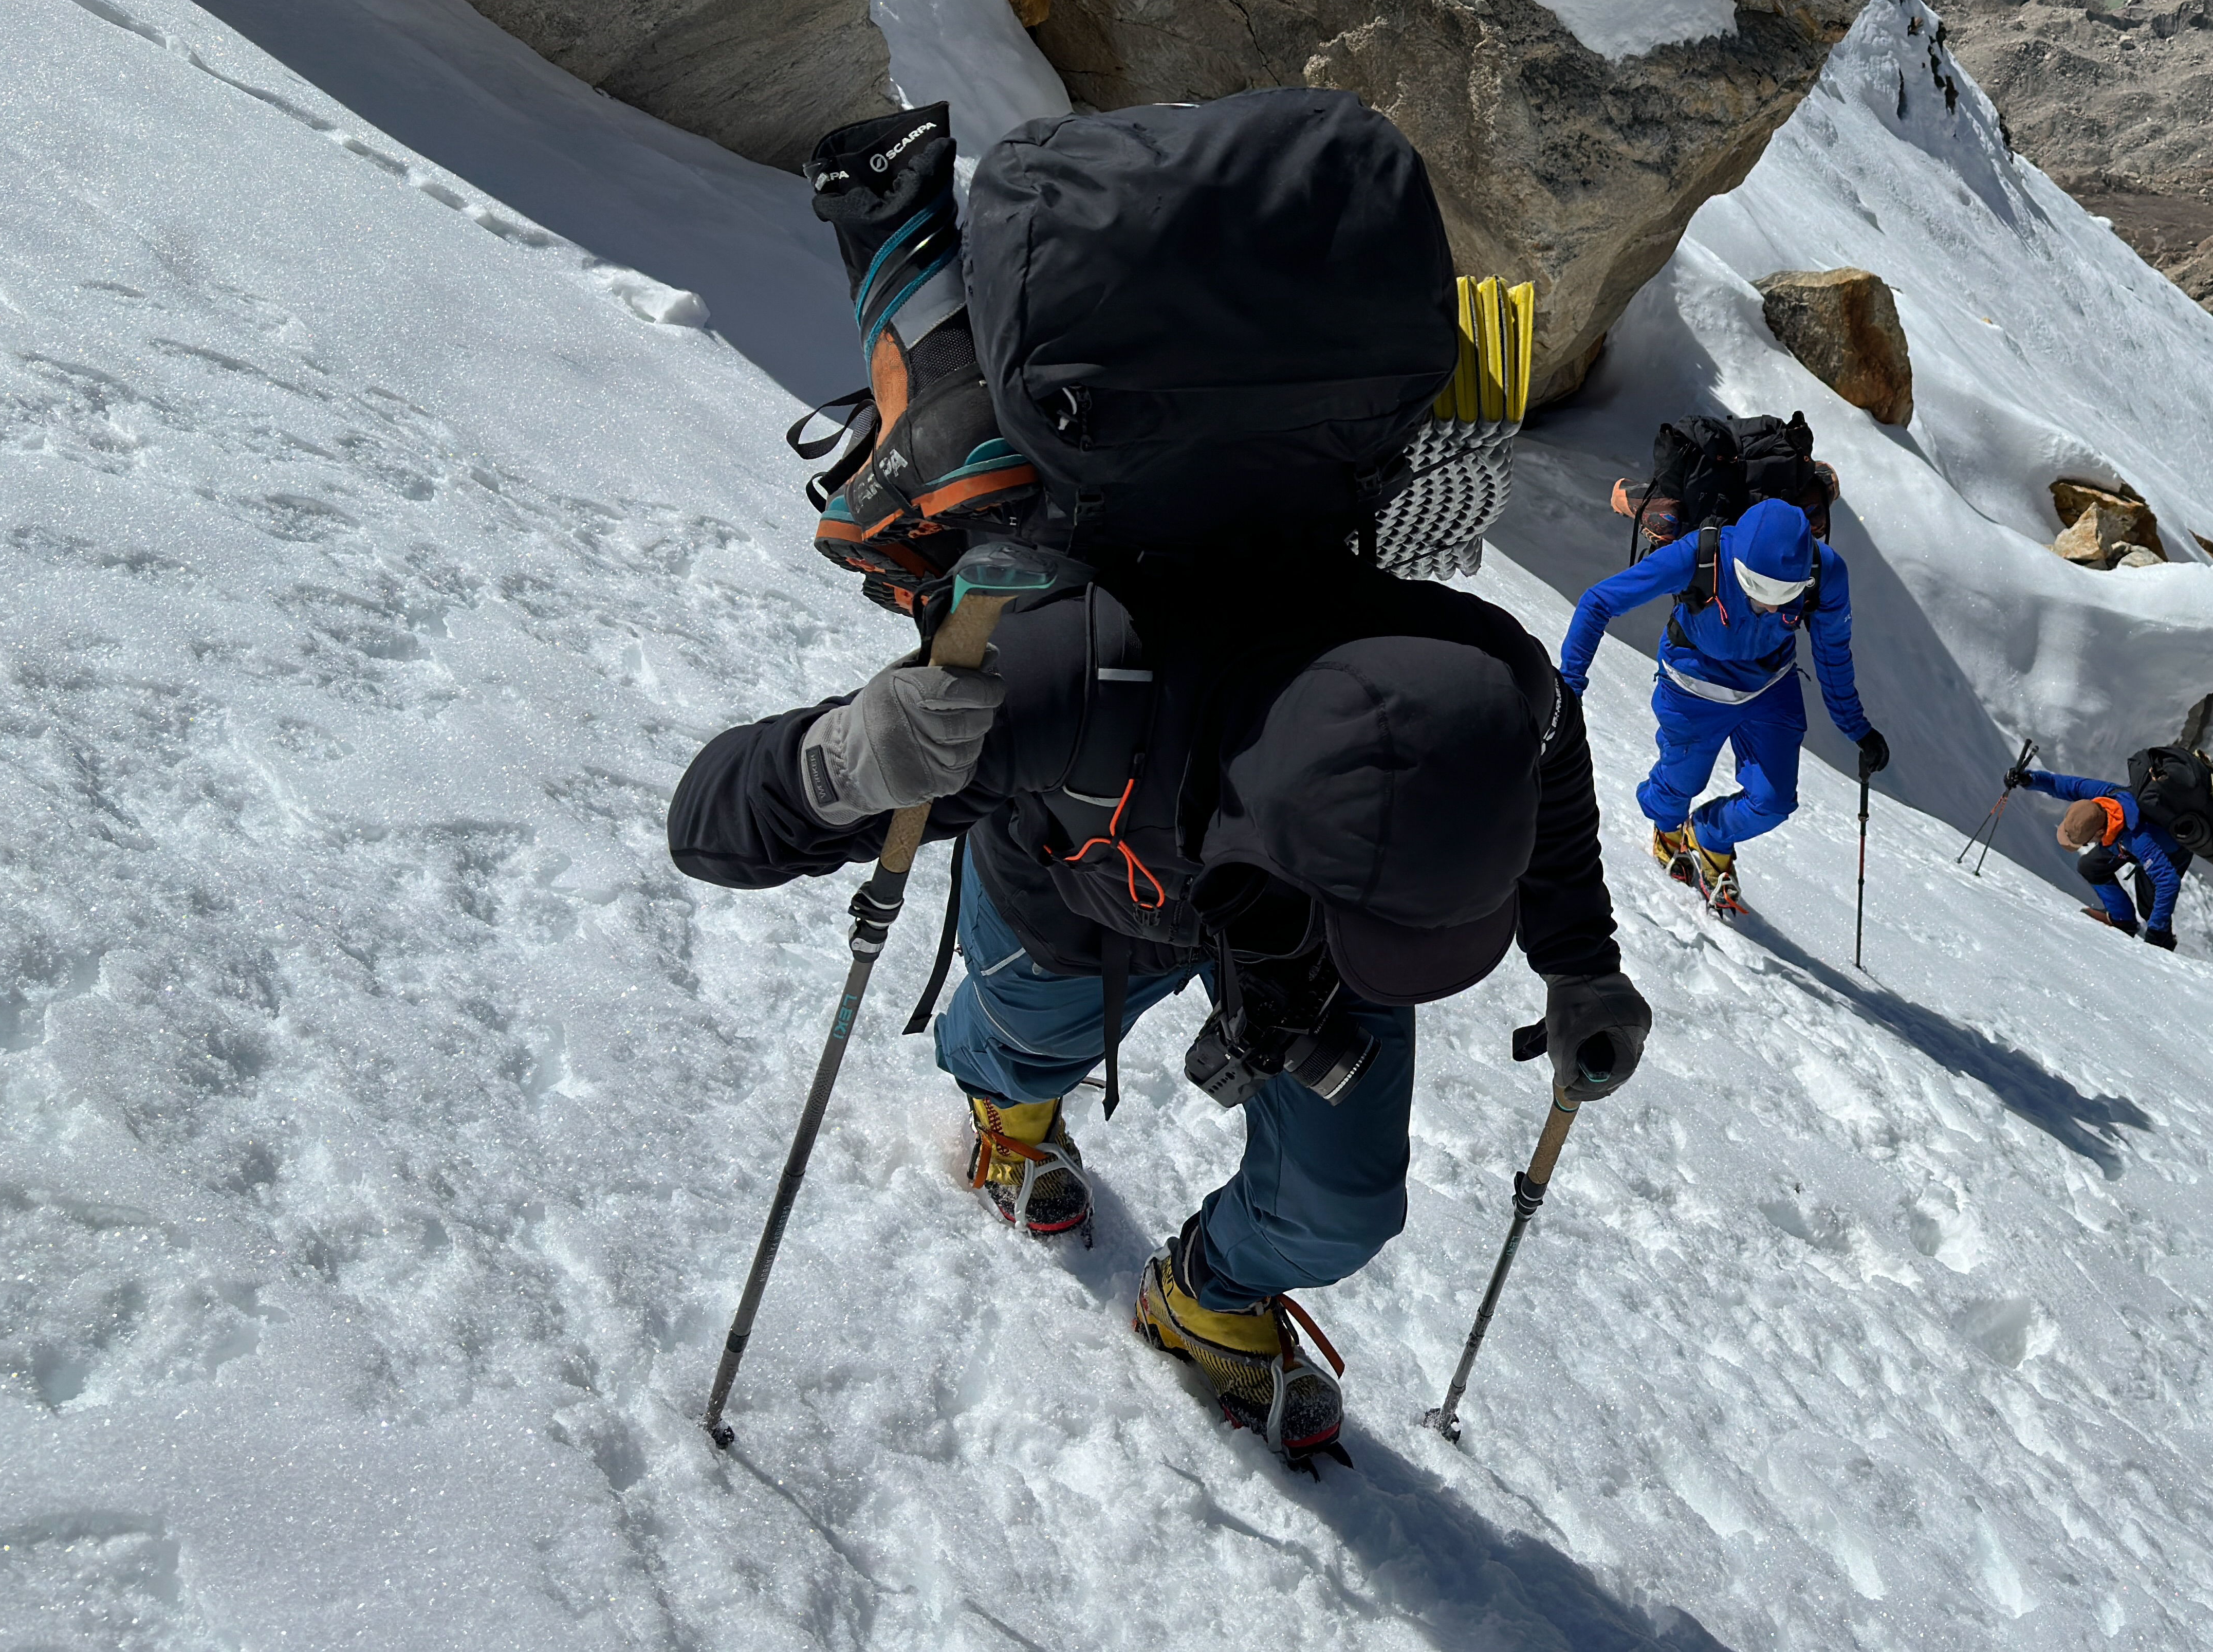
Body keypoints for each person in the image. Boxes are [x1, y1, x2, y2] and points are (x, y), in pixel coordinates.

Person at [670, 546, 1652, 1468]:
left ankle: (1203, 1298)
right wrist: (838, 760)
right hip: (1094, 883)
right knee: (1024, 1037)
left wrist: (1579, 965)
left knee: (1341, 1199)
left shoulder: (1487, 674)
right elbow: (704, 827)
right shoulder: (1080, 676)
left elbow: (1553, 763)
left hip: (1301, 940)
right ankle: (1007, 1109)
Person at [1556, 497, 1884, 913]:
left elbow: (1833, 652)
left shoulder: (1826, 573)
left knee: (1774, 800)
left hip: (1771, 687)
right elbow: (1599, 601)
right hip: (1692, 686)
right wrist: (1569, 688)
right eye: (1758, 589)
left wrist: (1857, 728)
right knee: (1680, 784)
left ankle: (1709, 837)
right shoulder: (1699, 555)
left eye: (1786, 595)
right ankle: (1667, 827)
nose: (1771, 605)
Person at [2013, 762, 2188, 950]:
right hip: (2122, 842)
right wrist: (2030, 779)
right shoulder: (2103, 796)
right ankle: (2122, 920)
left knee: (2151, 909)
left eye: (2087, 842)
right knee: (2091, 867)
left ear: (2099, 833)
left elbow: (2168, 881)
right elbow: (2068, 785)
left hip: (2170, 851)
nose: (2088, 845)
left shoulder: (2139, 839)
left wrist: (2156, 932)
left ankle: (2163, 943)